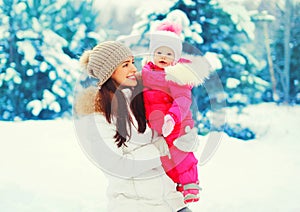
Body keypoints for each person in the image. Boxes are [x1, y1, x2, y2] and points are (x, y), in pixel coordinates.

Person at [73, 41, 198, 212]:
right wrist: (160, 148)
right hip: (133, 205)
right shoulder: (98, 117)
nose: (133, 69)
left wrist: (183, 135)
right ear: (109, 73)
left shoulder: (142, 101)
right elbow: (117, 167)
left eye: (132, 62)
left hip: (173, 203)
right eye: (125, 65)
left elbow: (169, 139)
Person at [141, 22, 210, 203]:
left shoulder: (176, 75)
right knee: (165, 159)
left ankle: (190, 185)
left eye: (169, 53)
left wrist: (172, 117)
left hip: (177, 123)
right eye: (160, 52)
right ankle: (176, 185)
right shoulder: (145, 75)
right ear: (152, 54)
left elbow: (183, 99)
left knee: (181, 152)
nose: (164, 56)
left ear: (176, 58)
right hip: (157, 127)